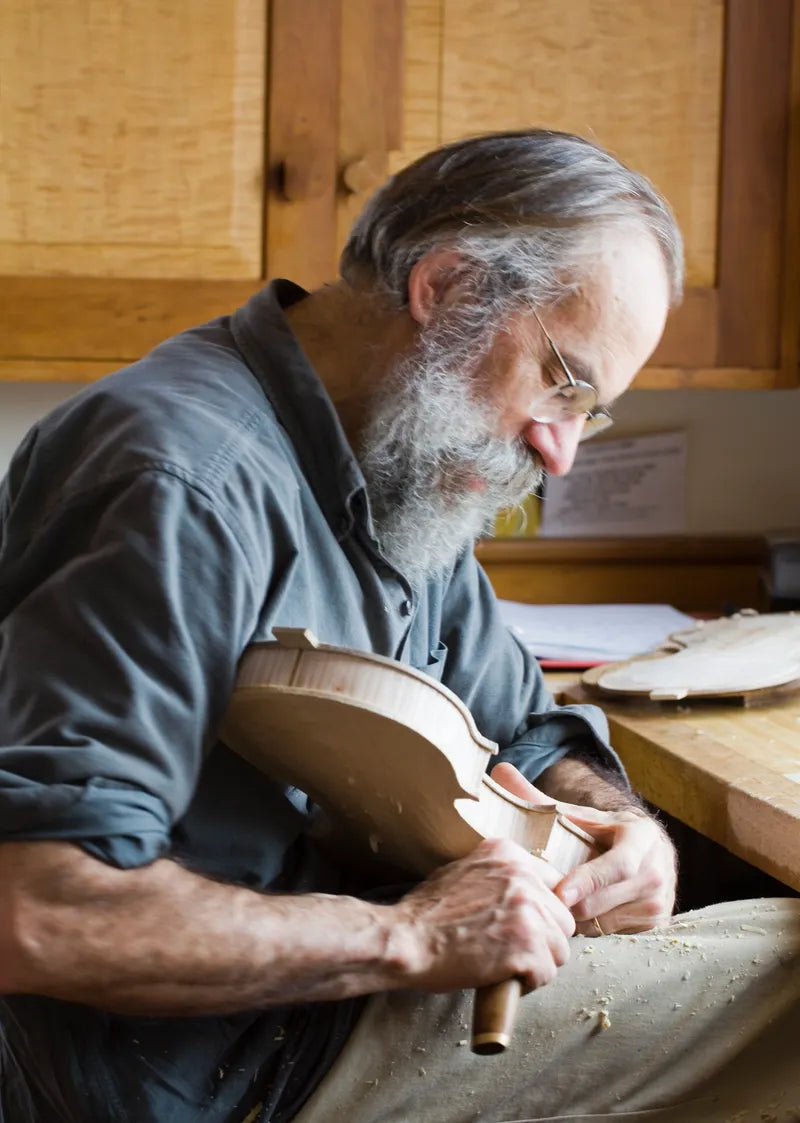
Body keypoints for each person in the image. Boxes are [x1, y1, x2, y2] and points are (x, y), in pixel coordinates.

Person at [0, 129, 798, 1123]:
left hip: (320, 1009)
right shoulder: (183, 482)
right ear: (448, 287)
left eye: (586, 413)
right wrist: (412, 939)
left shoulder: (394, 456)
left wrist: (624, 835)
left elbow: (529, 729)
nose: (558, 453)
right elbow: (38, 909)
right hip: (226, 1072)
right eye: (561, 379)